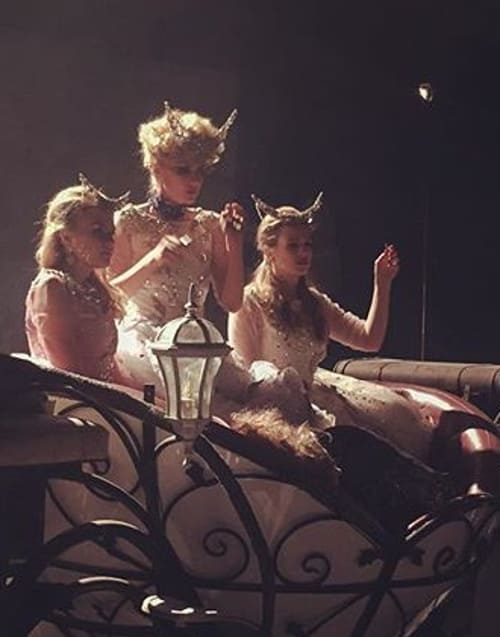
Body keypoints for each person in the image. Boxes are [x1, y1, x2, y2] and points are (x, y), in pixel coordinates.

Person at [228, 193, 434, 461]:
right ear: (268, 250)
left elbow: (369, 339)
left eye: (307, 245)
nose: (303, 253)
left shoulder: (314, 302)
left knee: (390, 428)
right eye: (293, 246)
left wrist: (382, 284)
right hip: (275, 410)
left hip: (318, 396)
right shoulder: (249, 303)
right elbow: (246, 376)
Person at [109, 101, 247, 401]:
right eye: (183, 170)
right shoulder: (129, 221)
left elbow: (232, 302)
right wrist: (152, 259)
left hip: (195, 342)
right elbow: (110, 298)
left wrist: (234, 244)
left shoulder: (209, 224)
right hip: (142, 343)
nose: (194, 181)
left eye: (200, 171)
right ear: (156, 167)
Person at [25, 175, 128, 381]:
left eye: (111, 233)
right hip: (73, 396)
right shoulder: (51, 287)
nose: (109, 242)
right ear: (66, 238)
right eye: (97, 232)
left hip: (103, 393)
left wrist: (149, 396)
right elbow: (69, 374)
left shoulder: (93, 287)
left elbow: (111, 371)